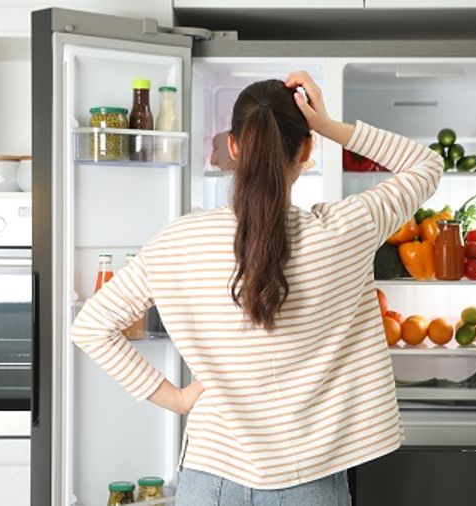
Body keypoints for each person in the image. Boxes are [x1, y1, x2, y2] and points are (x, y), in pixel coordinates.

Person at [70, 71, 443, 505]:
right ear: (306, 150)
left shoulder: (178, 241)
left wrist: (176, 398)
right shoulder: (346, 231)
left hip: (209, 480)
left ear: (232, 146)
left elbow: (91, 327)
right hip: (311, 480)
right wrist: (328, 124)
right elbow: (427, 164)